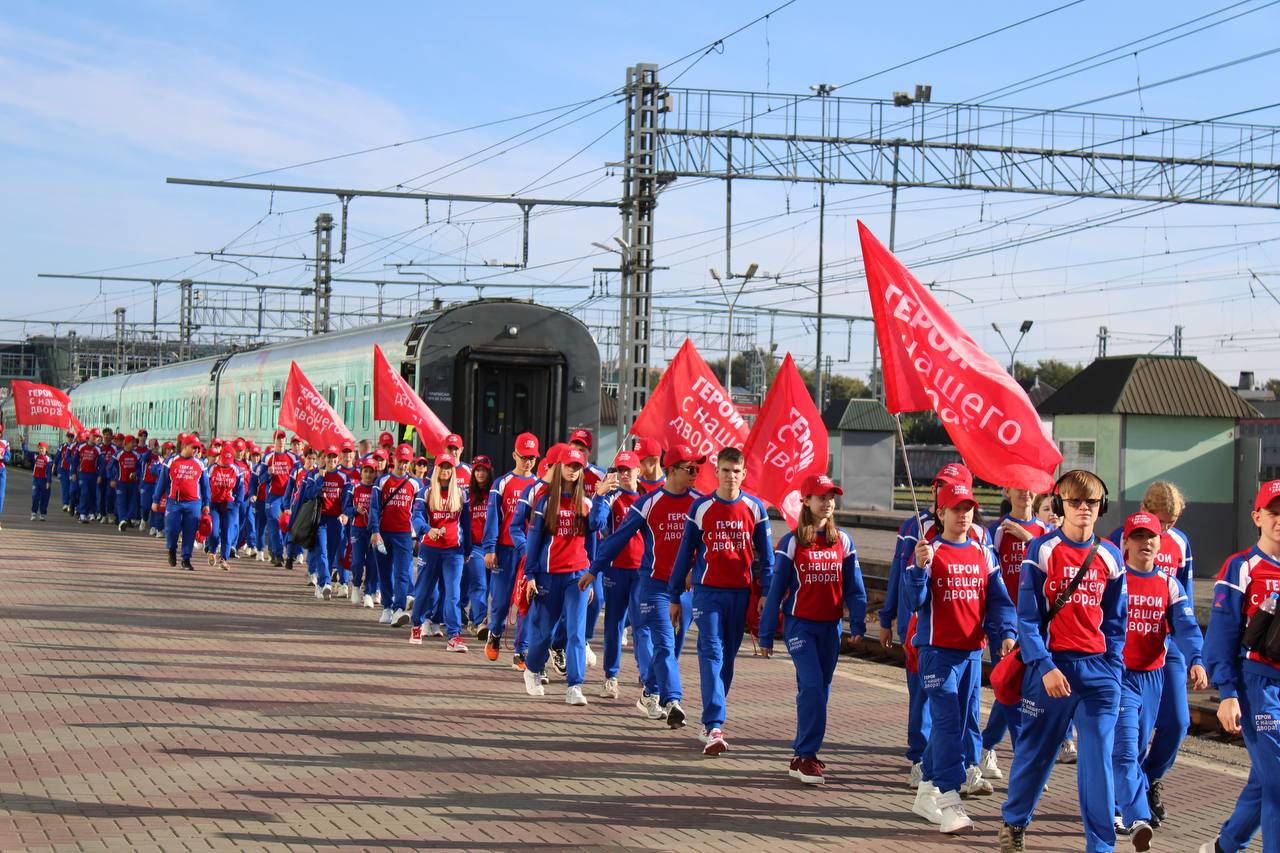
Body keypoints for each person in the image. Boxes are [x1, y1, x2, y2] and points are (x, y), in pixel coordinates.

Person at [999, 470, 1126, 853]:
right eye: (1074, 501)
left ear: (1101, 507)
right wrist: (1045, 665)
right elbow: (1027, 618)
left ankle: (1101, 846)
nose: (1083, 508)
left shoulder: (1110, 555)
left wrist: (1115, 670)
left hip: (1098, 673)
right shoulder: (1041, 550)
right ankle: (1014, 822)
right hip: (1050, 669)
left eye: (1091, 502)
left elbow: (1116, 622)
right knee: (1036, 754)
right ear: (1059, 505)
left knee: (1098, 760)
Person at [906, 481, 1016, 833]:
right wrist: (919, 572)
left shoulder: (983, 553)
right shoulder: (929, 550)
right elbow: (914, 603)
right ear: (940, 513)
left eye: (968, 508)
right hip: (937, 653)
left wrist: (1006, 633)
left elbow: (999, 602)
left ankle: (925, 790)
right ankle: (950, 800)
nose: (963, 514)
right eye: (955, 508)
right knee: (948, 724)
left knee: (953, 723)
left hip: (971, 654)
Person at [759, 473, 867, 786]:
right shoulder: (791, 542)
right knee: (813, 688)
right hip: (799, 627)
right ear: (806, 501)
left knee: (819, 691)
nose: (828, 503)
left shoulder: (843, 541)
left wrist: (857, 623)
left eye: (832, 497)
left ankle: (807, 753)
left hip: (830, 628)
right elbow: (776, 588)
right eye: (821, 497)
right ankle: (803, 755)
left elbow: (854, 588)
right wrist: (767, 635)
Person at [879, 463, 980, 789]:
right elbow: (901, 575)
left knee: (964, 707)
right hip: (923, 633)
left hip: (966, 639)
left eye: (951, 486)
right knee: (924, 699)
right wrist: (888, 615)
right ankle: (921, 761)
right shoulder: (915, 528)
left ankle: (965, 762)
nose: (942, 490)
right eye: (940, 486)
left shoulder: (979, 538)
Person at [669, 445, 774, 757]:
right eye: (725, 471)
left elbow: (767, 560)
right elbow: (684, 554)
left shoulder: (755, 509)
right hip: (707, 592)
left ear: (744, 474)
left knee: (727, 659)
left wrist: (766, 593)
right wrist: (675, 595)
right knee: (711, 651)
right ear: (716, 472)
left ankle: (708, 720)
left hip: (739, 594)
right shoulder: (700, 509)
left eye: (736, 471)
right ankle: (715, 724)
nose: (731, 476)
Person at [588, 444, 702, 726]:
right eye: (690, 469)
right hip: (655, 586)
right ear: (671, 470)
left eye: (697, 469)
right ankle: (673, 701)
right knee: (663, 642)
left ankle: (649, 692)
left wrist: (696, 570)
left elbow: (709, 546)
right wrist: (594, 570)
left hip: (686, 589)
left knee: (673, 647)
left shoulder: (700, 503)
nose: (695, 474)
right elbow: (617, 539)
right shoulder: (648, 503)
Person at [1112, 511, 1206, 849]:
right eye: (1138, 537)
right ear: (1126, 542)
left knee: (1138, 747)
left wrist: (1196, 659)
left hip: (1153, 675)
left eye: (1151, 537)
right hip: (1120, 675)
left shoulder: (1169, 584)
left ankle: (1125, 799)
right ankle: (1134, 815)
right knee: (1125, 747)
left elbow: (1186, 626)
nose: (1146, 543)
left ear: (1159, 542)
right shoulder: (1115, 580)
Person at [1202, 480, 1280, 853]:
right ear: (1258, 517)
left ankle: (1226, 846)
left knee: (1266, 781)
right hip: (1259, 687)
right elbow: (1220, 637)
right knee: (1279, 783)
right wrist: (1228, 694)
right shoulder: (1242, 566)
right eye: (1274, 512)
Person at [979, 485, 1048, 781]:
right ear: (1007, 492)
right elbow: (988, 576)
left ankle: (984, 745)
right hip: (1004, 621)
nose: (1026, 493)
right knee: (1009, 688)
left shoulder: (1045, 529)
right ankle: (1026, 762)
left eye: (1031, 487)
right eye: (1019, 488)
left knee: (1018, 688)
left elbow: (1054, 567)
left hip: (1037, 622)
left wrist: (1029, 539)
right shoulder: (997, 531)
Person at [523, 446, 600, 704]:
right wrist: (529, 573)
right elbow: (534, 538)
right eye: (569, 465)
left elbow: (593, 541)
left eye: (577, 467)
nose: (572, 470)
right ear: (560, 467)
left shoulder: (587, 503)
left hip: (577, 575)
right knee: (543, 632)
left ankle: (575, 686)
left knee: (576, 632)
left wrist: (591, 575)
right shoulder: (545, 501)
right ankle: (532, 669)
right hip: (548, 574)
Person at [585, 450, 648, 699]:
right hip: (615, 569)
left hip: (642, 572)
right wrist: (599, 497)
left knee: (642, 626)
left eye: (628, 469)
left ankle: (647, 677)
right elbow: (595, 524)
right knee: (614, 624)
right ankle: (610, 677)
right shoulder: (613, 497)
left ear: (638, 471)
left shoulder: (648, 497)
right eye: (620, 470)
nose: (623, 474)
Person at [481, 432, 541, 666]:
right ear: (515, 455)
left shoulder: (539, 486)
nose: (527, 462)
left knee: (526, 601)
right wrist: (490, 548)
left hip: (529, 552)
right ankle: (494, 634)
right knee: (500, 602)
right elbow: (493, 517)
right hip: (505, 551)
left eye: (532, 458)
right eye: (524, 457)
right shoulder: (502, 483)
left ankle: (521, 650)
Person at [411, 454, 471, 651]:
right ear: (436, 469)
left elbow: (466, 525)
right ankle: (417, 626)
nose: (445, 470)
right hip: (429, 549)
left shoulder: (461, 494)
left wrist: (467, 550)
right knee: (424, 591)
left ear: (453, 471)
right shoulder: (425, 492)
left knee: (453, 594)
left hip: (454, 551)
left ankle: (454, 636)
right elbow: (416, 518)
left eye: (449, 467)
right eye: (442, 466)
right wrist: (429, 530)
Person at [369, 444, 427, 627]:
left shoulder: (416, 484)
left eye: (406, 462)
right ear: (393, 460)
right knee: (384, 572)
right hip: (383, 533)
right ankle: (387, 606)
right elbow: (374, 508)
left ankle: (398, 608)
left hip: (404, 535)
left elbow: (421, 511)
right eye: (400, 461)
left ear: (410, 462)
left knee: (402, 573)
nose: (402, 465)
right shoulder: (382, 481)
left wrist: (420, 533)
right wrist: (374, 531)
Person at [153, 437, 211, 571]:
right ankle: (172, 549)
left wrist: (206, 503)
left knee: (190, 531)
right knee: (172, 529)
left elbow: (205, 486)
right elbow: (162, 482)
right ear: (185, 446)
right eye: (194, 447)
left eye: (198, 448)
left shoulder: (200, 464)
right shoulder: (171, 462)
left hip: (193, 503)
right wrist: (155, 500)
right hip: (174, 502)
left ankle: (186, 559)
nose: (196, 450)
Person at [299, 447, 350, 598]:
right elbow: (308, 495)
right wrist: (320, 479)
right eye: (328, 457)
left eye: (334, 457)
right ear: (324, 458)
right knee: (321, 551)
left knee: (331, 553)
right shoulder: (314, 474)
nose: (331, 460)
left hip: (336, 521)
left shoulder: (343, 478)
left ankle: (321, 585)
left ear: (338, 459)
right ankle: (326, 582)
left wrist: (345, 513)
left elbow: (347, 500)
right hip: (320, 520)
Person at [344, 459, 380, 608]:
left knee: (373, 563)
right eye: (366, 471)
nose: (368, 474)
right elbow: (345, 509)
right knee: (358, 562)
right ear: (361, 472)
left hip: (373, 531)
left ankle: (368, 593)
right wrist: (355, 511)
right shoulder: (354, 488)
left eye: (371, 471)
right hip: (357, 530)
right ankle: (356, 585)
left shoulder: (378, 489)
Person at [465, 456, 494, 636]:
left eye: (483, 470)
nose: (480, 473)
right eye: (477, 470)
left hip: (492, 547)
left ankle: (472, 617)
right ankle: (481, 622)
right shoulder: (467, 494)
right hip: (474, 547)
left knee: (489, 587)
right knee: (479, 585)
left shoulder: (495, 492)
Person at [262, 431, 300, 566]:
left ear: (286, 441)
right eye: (278, 439)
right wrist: (268, 473)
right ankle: (278, 555)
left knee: (287, 525)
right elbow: (261, 479)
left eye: (283, 438)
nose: (281, 441)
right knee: (274, 522)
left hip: (288, 496)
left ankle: (279, 549)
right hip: (273, 496)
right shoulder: (268, 458)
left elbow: (298, 476)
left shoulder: (293, 458)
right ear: (274, 441)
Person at [206, 448, 245, 571]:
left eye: (229, 460)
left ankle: (224, 559)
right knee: (214, 531)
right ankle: (212, 550)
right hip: (214, 504)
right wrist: (205, 503)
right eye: (225, 459)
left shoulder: (237, 471)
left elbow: (240, 489)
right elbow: (205, 486)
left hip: (230, 505)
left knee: (227, 532)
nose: (227, 463)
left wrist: (237, 503)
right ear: (220, 457)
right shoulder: (212, 469)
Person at [109, 435, 142, 531]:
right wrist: (112, 479)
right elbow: (110, 467)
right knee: (121, 502)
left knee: (132, 503)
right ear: (127, 443)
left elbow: (140, 468)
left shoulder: (136, 455)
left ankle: (126, 518)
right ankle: (122, 520)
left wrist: (136, 474)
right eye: (133, 442)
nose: (134, 444)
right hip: (121, 483)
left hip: (133, 483)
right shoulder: (118, 454)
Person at [22, 437, 53, 520]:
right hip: (36, 480)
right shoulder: (35, 456)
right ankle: (33, 513)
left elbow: (49, 471)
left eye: (42, 449)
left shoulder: (49, 459)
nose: (41, 450)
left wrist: (48, 481)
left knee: (44, 498)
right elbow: (26, 452)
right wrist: (24, 444)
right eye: (39, 449)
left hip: (45, 481)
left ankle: (42, 514)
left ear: (46, 449)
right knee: (35, 497)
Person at [76, 429, 102, 522]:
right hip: (83, 474)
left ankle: (91, 512)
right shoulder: (81, 447)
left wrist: (99, 475)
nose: (95, 438)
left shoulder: (98, 449)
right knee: (84, 493)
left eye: (97, 437)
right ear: (90, 435)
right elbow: (75, 461)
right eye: (94, 436)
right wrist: (73, 473)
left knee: (92, 494)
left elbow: (101, 464)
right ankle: (82, 514)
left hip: (93, 474)